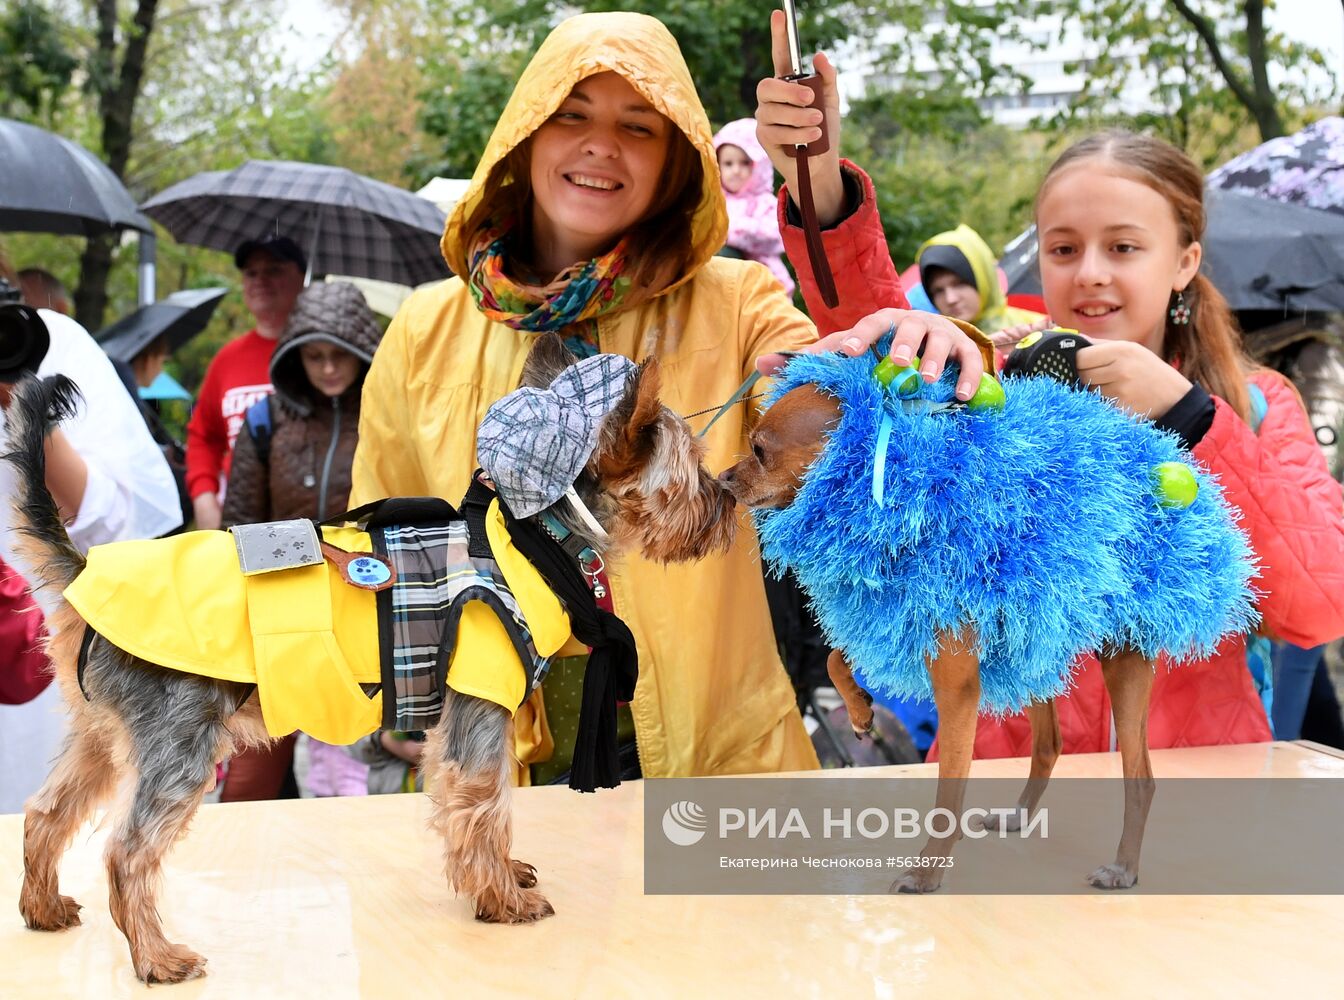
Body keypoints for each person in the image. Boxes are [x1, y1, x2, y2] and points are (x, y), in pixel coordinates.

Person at [351, 12, 991, 782]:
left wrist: (820, 193)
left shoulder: (738, 302)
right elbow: (378, 536)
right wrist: (396, 702)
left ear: (675, 161)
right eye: (572, 115)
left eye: (639, 127)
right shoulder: (423, 328)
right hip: (492, 770)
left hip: (713, 769)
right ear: (523, 138)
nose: (601, 145)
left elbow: (848, 403)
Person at [757, 62, 1344, 756]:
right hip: (999, 778)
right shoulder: (992, 383)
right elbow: (875, 328)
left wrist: (1189, 417)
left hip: (1193, 786)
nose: (1089, 270)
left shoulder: (1254, 405)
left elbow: (1317, 607)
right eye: (1063, 248)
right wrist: (820, 186)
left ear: (1185, 261)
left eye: (1123, 246)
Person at [0, 249, 182, 811]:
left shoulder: (45, 344)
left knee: (45, 831)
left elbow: (112, 522)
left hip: (36, 659)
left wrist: (20, 398)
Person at [219, 281, 382, 801]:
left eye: (340, 355)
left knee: (350, 778)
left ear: (364, 354)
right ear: (295, 356)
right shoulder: (266, 420)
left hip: (360, 607)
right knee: (249, 777)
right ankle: (242, 877)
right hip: (276, 613)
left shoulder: (386, 419)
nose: (328, 368)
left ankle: (356, 878)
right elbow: (237, 527)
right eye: (313, 356)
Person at [185, 234, 306, 530]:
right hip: (241, 519)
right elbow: (203, 436)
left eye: (274, 270)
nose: (260, 280)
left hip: (310, 518)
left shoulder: (320, 358)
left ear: (301, 277)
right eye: (251, 273)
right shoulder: (227, 360)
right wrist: (204, 496)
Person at [712, 117, 795, 295]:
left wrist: (730, 232)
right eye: (728, 163)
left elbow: (776, 237)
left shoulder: (764, 203)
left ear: (759, 165)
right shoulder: (716, 202)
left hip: (766, 286)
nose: (736, 170)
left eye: (744, 163)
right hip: (724, 285)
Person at [916, 224, 1044, 333]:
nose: (950, 299)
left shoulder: (1037, 331)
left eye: (959, 284)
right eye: (938, 291)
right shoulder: (930, 347)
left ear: (983, 278)